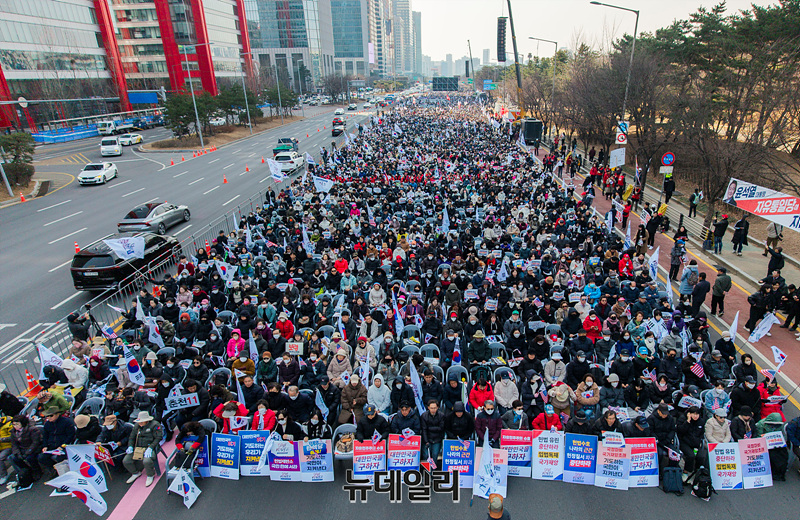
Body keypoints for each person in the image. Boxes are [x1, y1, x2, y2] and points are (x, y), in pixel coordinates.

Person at [123, 410, 163, 487]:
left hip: (150, 447)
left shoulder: (155, 425)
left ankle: (150, 475)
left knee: (147, 461)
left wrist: (150, 448)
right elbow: (132, 437)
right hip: (138, 447)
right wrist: (130, 446)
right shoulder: (137, 426)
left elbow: (158, 437)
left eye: (142, 422)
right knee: (126, 460)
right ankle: (135, 473)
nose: (140, 423)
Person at [37, 406, 76, 477]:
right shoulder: (47, 424)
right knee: (41, 458)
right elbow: (45, 436)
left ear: (57, 414)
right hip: (51, 445)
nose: (49, 418)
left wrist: (62, 446)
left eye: (51, 415)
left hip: (63, 445)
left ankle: (62, 472)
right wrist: (45, 446)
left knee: (60, 458)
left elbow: (70, 436)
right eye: (47, 416)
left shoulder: (66, 422)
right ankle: (54, 469)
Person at [9, 415, 43, 489]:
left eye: (17, 424)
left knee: (30, 458)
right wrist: (18, 453)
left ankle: (37, 470)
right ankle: (27, 471)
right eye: (14, 424)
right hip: (22, 449)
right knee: (14, 458)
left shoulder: (32, 429)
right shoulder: (13, 432)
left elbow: (35, 442)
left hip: (33, 448)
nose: (15, 426)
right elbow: (14, 444)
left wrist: (27, 452)